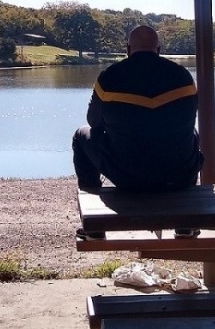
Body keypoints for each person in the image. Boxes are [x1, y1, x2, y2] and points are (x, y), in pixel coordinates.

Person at [72, 24, 202, 199]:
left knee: (80, 135)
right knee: (192, 133)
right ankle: (185, 225)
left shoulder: (109, 77)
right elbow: (190, 114)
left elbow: (93, 122)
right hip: (179, 176)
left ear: (128, 49)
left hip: (127, 177)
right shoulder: (183, 76)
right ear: (158, 49)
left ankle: (94, 213)